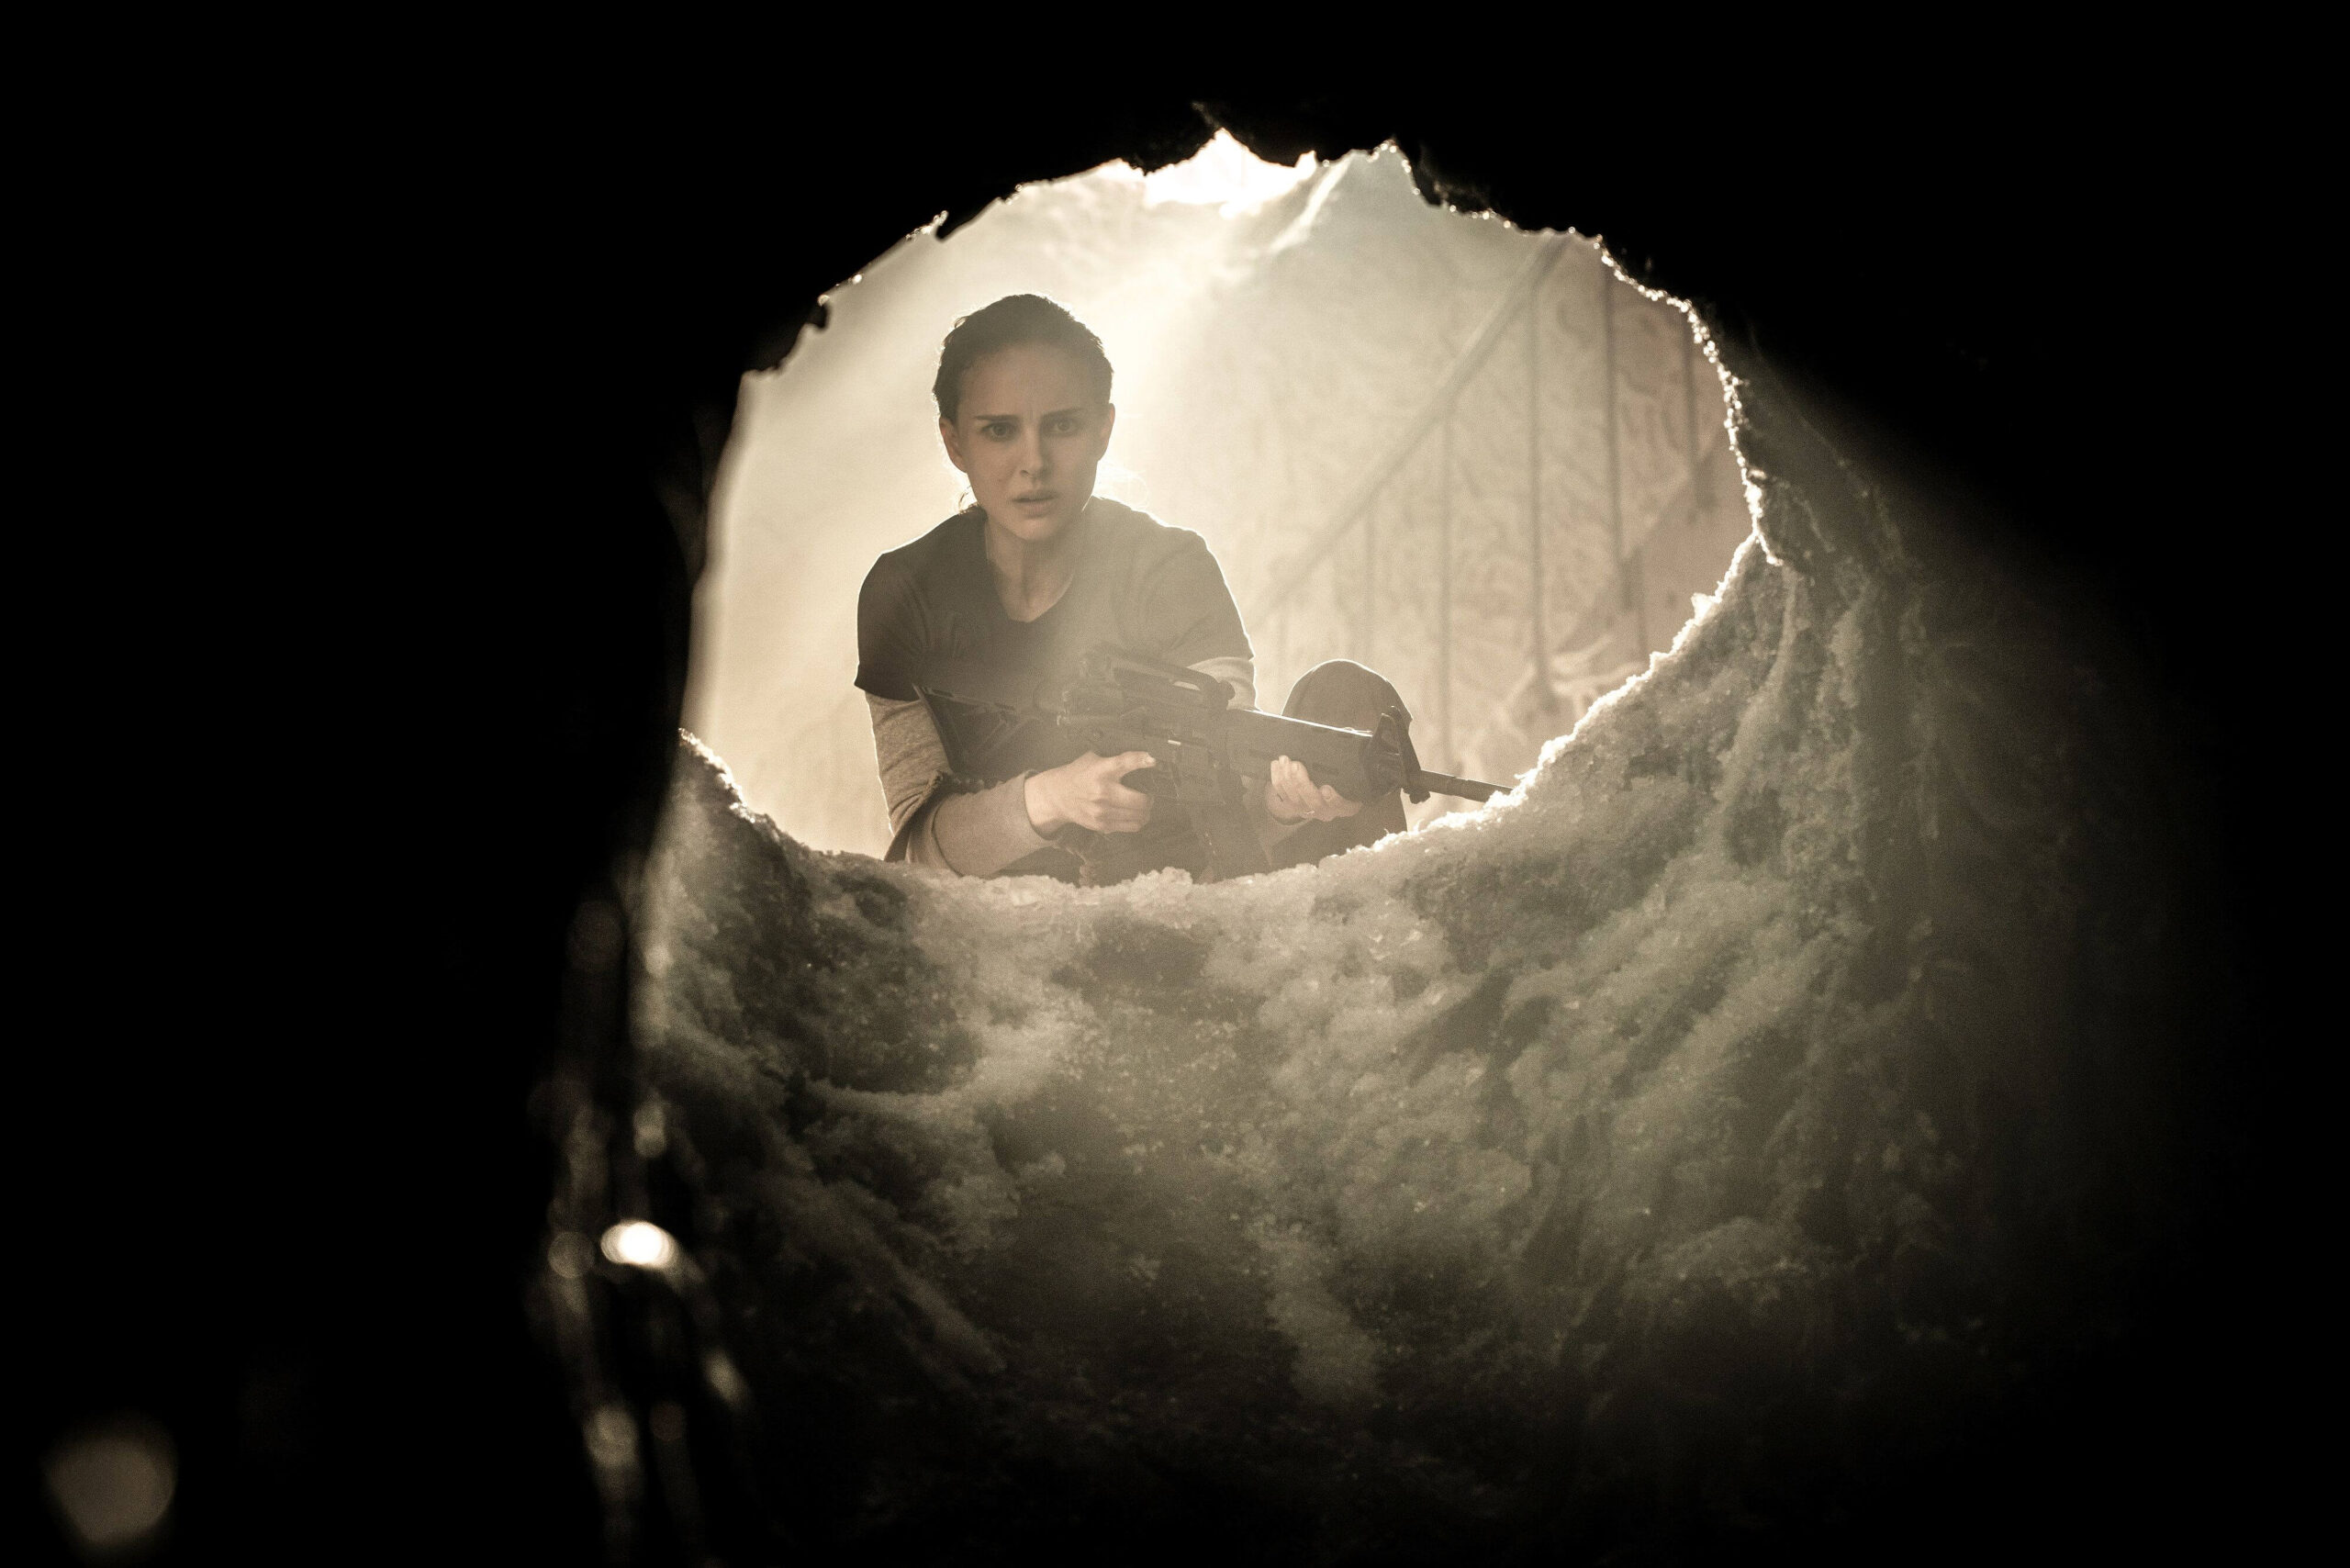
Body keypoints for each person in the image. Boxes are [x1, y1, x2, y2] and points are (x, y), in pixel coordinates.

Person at [855, 294, 1415, 884]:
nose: (1034, 462)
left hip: (1188, 895)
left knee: (1348, 696)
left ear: (1103, 430)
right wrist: (1050, 799)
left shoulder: (1170, 568)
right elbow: (915, 858)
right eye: (999, 431)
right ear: (954, 443)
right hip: (1003, 926)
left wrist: (1288, 803)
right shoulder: (905, 593)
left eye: (1062, 426)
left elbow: (1230, 799)